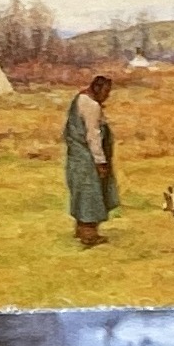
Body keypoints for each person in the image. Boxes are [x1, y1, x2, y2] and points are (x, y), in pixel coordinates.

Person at [62, 75, 118, 247]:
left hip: (78, 156)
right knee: (90, 193)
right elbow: (93, 136)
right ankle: (89, 235)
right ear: (97, 89)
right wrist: (101, 162)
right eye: (106, 91)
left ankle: (81, 229)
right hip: (87, 158)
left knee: (82, 191)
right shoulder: (92, 106)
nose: (107, 95)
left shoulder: (81, 98)